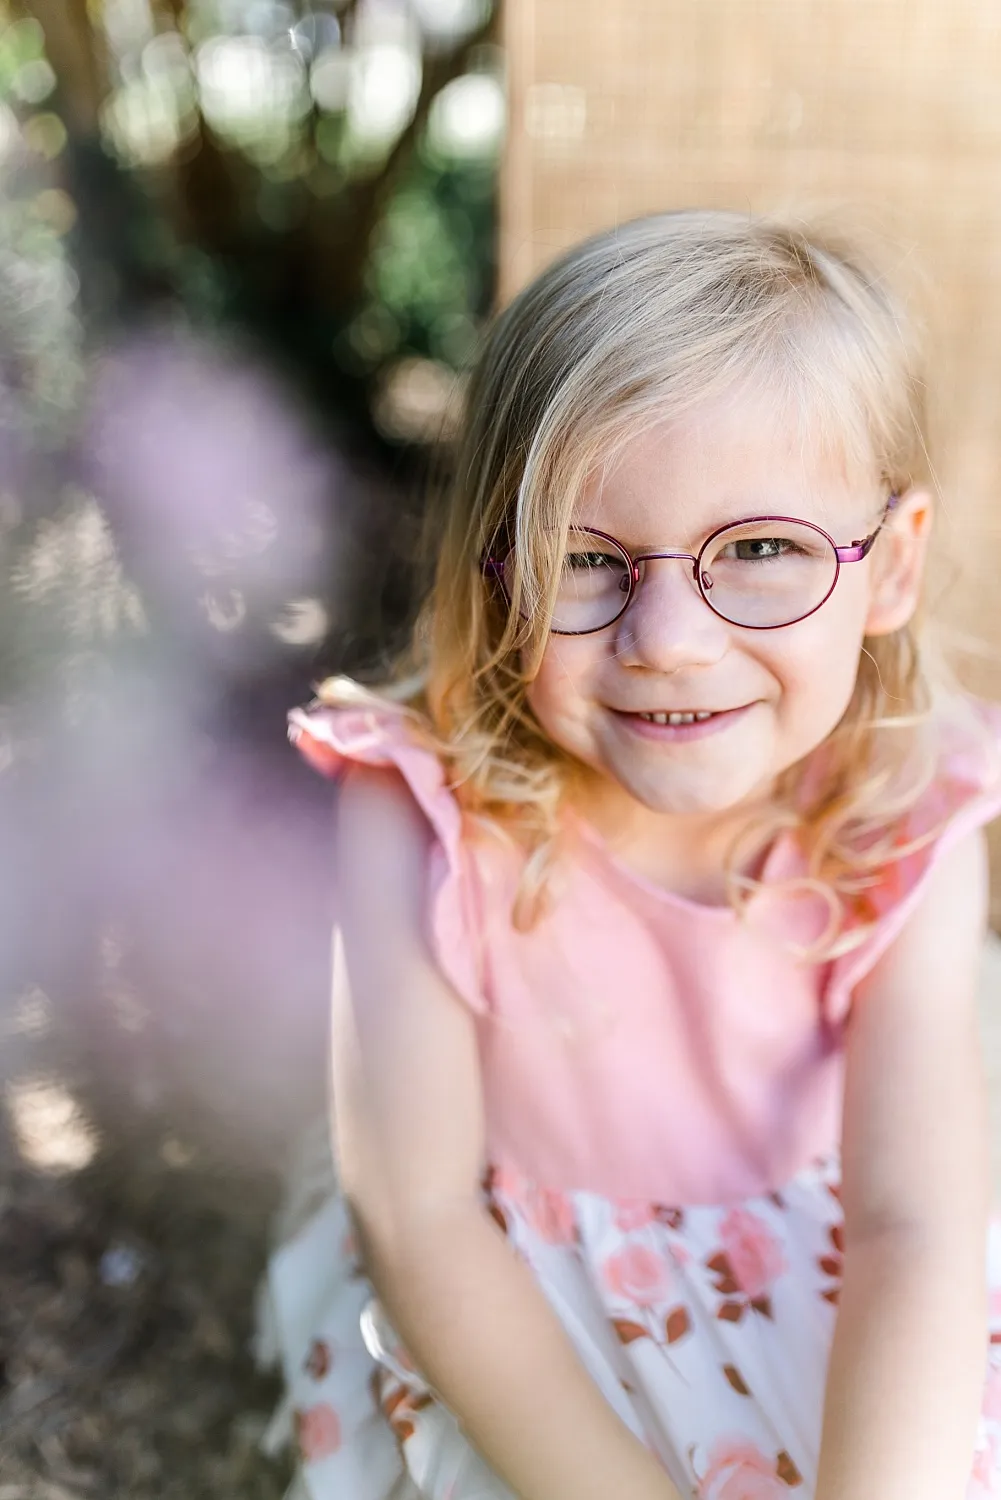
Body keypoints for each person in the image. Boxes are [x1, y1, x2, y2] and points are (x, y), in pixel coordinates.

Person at [257, 210, 1001, 1500]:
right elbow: (419, 1219)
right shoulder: (417, 810)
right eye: (582, 561)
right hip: (514, 1305)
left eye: (762, 550)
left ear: (889, 569)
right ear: (500, 576)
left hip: (842, 1267)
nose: (666, 640)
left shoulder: (911, 811)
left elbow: (915, 1226)